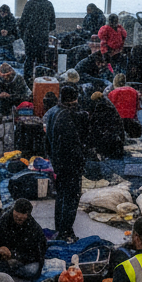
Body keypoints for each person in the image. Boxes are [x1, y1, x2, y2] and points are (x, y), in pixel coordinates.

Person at [49, 86, 86, 242]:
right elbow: (72, 145)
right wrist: (80, 162)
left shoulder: (53, 112)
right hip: (69, 165)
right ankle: (65, 231)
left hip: (58, 163)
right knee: (70, 199)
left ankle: (61, 228)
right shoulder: (65, 117)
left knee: (62, 196)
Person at [18, 0, 56, 82]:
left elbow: (23, 22)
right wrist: (45, 30)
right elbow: (53, 24)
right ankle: (39, 81)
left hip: (30, 36)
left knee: (29, 59)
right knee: (41, 60)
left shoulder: (29, 3)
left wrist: (25, 32)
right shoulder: (48, 4)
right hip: (42, 37)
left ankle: (27, 81)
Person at [87, 91, 125, 160]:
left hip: (110, 141)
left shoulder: (101, 107)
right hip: (116, 139)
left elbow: (95, 123)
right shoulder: (108, 104)